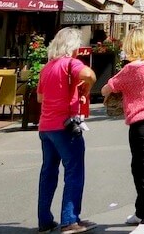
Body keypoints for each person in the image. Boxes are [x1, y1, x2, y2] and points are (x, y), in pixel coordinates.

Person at [102, 28, 144, 234]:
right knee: (138, 167)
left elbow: (107, 89)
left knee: (142, 170)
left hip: (140, 123)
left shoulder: (131, 69)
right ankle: (140, 211)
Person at [37, 27, 98, 234]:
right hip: (65, 126)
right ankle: (70, 220)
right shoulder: (71, 63)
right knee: (74, 172)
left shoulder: (47, 68)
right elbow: (88, 74)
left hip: (46, 126)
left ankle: (44, 220)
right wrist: (86, 87)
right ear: (73, 47)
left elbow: (40, 98)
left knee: (48, 173)